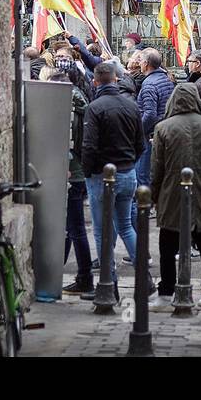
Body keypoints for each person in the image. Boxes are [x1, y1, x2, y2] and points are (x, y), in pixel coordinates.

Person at [150, 82, 201, 310]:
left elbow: (157, 167)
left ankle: (166, 292)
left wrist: (153, 195)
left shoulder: (163, 127)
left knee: (167, 243)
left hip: (173, 187)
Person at [81, 62, 144, 291]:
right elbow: (141, 143)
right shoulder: (131, 106)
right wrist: (130, 162)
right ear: (116, 80)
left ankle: (109, 282)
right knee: (126, 225)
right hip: (127, 171)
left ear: (96, 82)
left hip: (103, 174)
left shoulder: (95, 108)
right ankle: (143, 274)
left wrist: (88, 171)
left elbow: (89, 146)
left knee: (102, 231)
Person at [135, 49, 175, 222]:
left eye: (141, 60)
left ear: (146, 64)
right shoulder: (165, 79)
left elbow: (149, 113)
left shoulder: (149, 84)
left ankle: (147, 204)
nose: (139, 63)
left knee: (143, 172)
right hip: (163, 131)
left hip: (151, 133)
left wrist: (139, 132)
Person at [62, 85, 94, 298]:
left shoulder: (70, 113)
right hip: (82, 173)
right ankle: (57, 267)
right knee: (69, 226)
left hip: (72, 174)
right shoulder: (86, 109)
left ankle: (85, 277)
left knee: (75, 228)